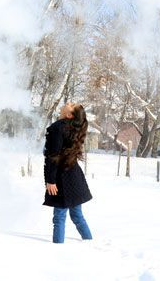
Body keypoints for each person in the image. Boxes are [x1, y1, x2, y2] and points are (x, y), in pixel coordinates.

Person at [43, 102, 93, 243]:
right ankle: (90, 243)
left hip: (62, 178)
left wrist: (51, 180)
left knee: (59, 217)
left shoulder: (58, 128)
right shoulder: (72, 128)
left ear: (69, 115)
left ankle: (58, 250)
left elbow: (54, 157)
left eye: (71, 105)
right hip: (74, 177)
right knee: (77, 216)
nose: (68, 102)